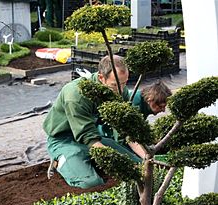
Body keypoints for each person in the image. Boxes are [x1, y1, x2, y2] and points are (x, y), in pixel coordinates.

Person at [43, 55, 172, 189]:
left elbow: (126, 131)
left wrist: (148, 159)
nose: (121, 90)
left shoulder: (121, 92)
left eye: (124, 83)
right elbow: (88, 137)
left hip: (96, 138)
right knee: (92, 183)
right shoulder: (76, 95)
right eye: (115, 85)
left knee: (140, 166)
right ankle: (59, 160)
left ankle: (89, 161)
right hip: (65, 140)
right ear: (101, 78)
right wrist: (118, 163)